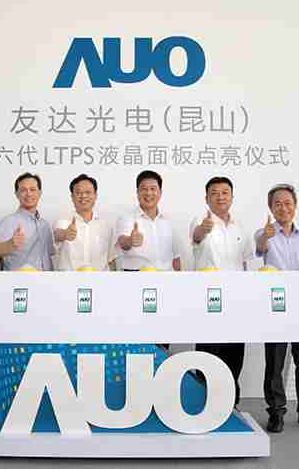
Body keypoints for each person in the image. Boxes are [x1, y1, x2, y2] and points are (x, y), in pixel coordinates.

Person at [254, 183, 299, 433]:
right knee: (274, 363)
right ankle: (276, 413)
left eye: (288, 203)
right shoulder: (263, 234)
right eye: (277, 203)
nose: (283, 207)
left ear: (295, 206)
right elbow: (258, 251)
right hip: (275, 307)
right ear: (271, 208)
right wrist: (265, 237)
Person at [190, 176, 250, 406]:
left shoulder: (239, 226)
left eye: (225, 192)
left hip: (235, 297)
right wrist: (202, 230)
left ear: (232, 197)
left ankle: (231, 401)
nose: (220, 197)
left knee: (234, 349)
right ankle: (205, 400)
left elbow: (244, 262)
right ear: (206, 198)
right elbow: (196, 237)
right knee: (208, 348)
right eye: (214, 193)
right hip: (209, 298)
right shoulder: (200, 221)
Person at [115, 170, 181, 350]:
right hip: (136, 282)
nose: (148, 193)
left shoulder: (169, 221)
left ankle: (160, 365)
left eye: (153, 189)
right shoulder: (127, 218)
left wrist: (178, 288)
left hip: (165, 283)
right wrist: (131, 240)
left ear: (160, 192)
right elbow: (122, 243)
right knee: (137, 337)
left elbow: (176, 259)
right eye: (144, 189)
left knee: (162, 337)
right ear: (137, 192)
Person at [53, 174, 117, 271]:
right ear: (72, 197)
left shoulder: (106, 226)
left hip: (100, 279)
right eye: (78, 193)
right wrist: (65, 234)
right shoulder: (62, 222)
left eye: (88, 192)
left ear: (95, 196)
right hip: (69, 279)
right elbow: (57, 235)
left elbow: (111, 259)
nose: (83, 196)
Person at [0, 172, 54, 271]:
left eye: (32, 189)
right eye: (23, 190)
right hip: (19, 279)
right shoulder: (9, 221)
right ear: (17, 194)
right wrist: (11, 244)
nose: (28, 194)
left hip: (47, 279)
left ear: (39, 193)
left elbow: (50, 254)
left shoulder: (45, 224)